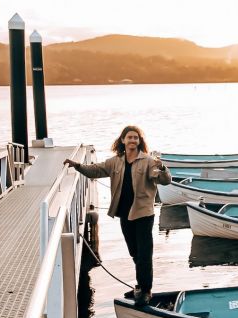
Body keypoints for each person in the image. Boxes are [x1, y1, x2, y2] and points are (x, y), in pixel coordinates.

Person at [64, 125, 171, 306]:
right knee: (135, 252)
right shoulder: (115, 162)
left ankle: (146, 290)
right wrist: (77, 166)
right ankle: (141, 285)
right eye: (129, 137)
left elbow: (165, 181)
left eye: (136, 138)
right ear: (122, 140)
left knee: (144, 253)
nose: (132, 140)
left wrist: (163, 169)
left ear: (140, 141)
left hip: (143, 213)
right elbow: (96, 170)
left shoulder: (148, 161)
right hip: (124, 214)